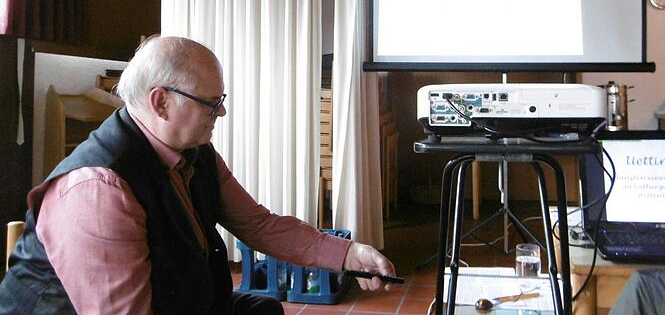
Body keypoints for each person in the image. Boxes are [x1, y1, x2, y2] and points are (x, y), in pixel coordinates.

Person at [0, 36, 397, 314]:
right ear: (161, 102)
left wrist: (348, 254)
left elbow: (258, 224)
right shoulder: (98, 189)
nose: (220, 113)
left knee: (262, 309)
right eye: (211, 103)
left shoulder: (193, 151)